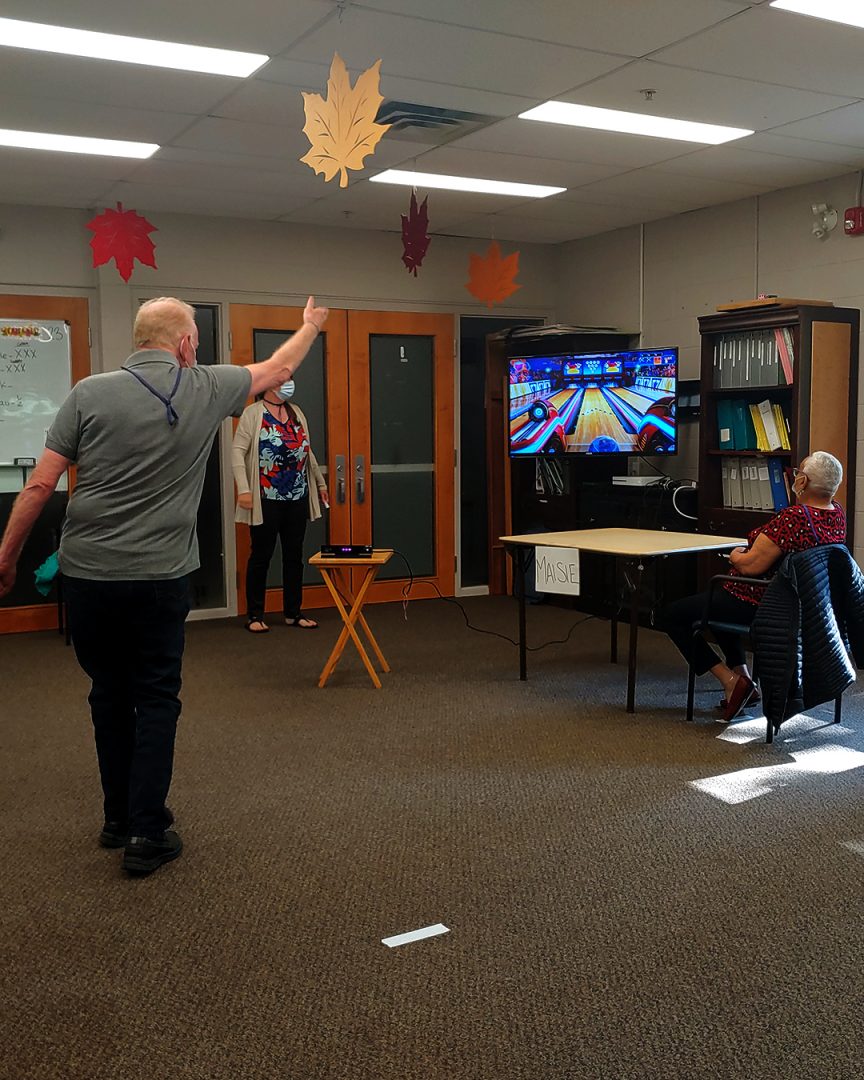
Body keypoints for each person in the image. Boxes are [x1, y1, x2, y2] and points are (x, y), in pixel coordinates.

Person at [0, 295, 329, 876]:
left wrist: (5, 559)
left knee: (108, 693)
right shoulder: (201, 387)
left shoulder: (87, 392)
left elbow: (38, 488)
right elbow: (279, 369)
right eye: (195, 342)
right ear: (184, 345)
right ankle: (147, 833)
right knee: (154, 697)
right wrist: (308, 326)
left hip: (88, 577)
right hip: (158, 577)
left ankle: (118, 817)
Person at [659, 451, 846, 723]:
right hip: (807, 605)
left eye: (797, 474)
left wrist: (735, 556)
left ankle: (731, 680)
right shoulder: (836, 514)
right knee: (719, 604)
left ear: (803, 481)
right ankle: (746, 681)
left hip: (764, 604)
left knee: (673, 615)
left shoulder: (794, 518)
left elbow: (750, 567)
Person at [232, 382, 328, 633]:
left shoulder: (296, 412)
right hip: (265, 497)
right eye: (283, 379)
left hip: (296, 495)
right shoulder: (253, 414)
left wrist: (320, 482)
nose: (289, 385)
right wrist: (244, 488)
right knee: (261, 556)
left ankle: (293, 612)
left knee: (294, 556)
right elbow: (237, 453)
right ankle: (255, 615)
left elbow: (306, 451)